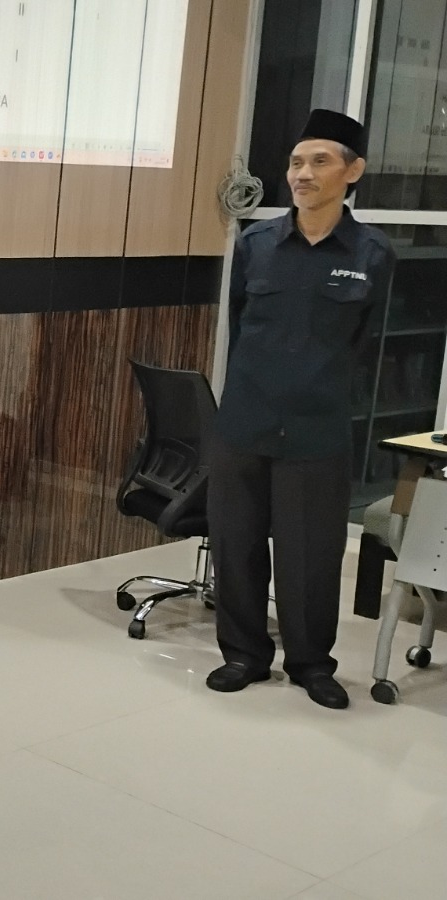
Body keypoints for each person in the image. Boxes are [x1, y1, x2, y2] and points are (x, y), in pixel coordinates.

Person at [206, 109, 396, 709]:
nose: (302, 174)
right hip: (245, 422)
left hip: (317, 429)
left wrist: (316, 389)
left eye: (319, 161)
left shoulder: (372, 253)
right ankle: (243, 654)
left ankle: (312, 664)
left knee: (311, 555)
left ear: (352, 172)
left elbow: (367, 342)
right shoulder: (257, 244)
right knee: (236, 544)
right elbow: (239, 327)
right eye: (295, 162)